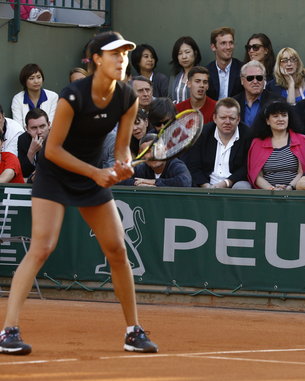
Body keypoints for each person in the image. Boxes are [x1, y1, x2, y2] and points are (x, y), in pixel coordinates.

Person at [0, 31, 158, 356]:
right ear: (97, 59)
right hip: (55, 174)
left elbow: (121, 150)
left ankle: (133, 331)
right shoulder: (72, 95)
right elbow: (53, 150)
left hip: (90, 177)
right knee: (42, 247)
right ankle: (9, 331)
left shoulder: (127, 98)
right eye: (114, 54)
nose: (121, 59)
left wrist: (123, 165)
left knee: (116, 250)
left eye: (125, 54)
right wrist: (96, 172)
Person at [182, 97, 252, 189]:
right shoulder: (202, 133)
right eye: (223, 118)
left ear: (238, 119)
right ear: (215, 118)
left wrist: (226, 183)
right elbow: (193, 165)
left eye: (232, 118)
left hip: (234, 184)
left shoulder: (248, 135)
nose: (227, 122)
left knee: (243, 187)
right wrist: (205, 185)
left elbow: (246, 167)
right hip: (206, 184)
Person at [247, 100, 305, 190]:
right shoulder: (257, 143)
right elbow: (257, 176)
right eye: (275, 116)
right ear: (267, 121)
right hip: (267, 193)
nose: (281, 119)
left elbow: (304, 172)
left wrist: (289, 187)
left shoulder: (302, 140)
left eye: (284, 115)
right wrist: (272, 189)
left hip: (295, 191)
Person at [119, 133, 192, 187]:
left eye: (157, 149)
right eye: (147, 152)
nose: (153, 155)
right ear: (142, 155)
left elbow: (185, 181)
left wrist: (154, 182)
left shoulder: (175, 165)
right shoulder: (141, 167)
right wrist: (140, 184)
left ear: (165, 149)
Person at [232, 61, 283, 127]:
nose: (255, 82)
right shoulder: (233, 102)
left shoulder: (276, 101)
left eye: (259, 78)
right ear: (242, 80)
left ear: (264, 80)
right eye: (250, 78)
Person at [11, 63, 59, 128]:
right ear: (24, 81)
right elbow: (18, 126)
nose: (36, 81)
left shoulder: (53, 97)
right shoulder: (17, 99)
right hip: (26, 136)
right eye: (31, 78)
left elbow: (51, 124)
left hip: (48, 136)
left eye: (39, 77)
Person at [206, 27, 243, 101]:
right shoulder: (207, 72)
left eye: (231, 43)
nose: (228, 47)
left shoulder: (242, 69)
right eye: (223, 43)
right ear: (213, 47)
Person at [17, 108, 51, 180]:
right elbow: (24, 173)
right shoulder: (23, 139)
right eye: (34, 128)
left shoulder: (59, 138)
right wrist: (31, 152)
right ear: (27, 129)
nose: (39, 132)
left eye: (42, 126)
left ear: (49, 125)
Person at [168, 36, 202, 104]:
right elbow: (169, 99)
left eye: (187, 52)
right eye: (180, 53)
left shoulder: (202, 75)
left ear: (195, 53)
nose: (184, 57)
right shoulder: (174, 76)